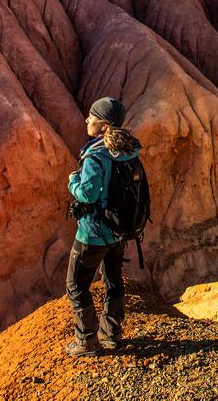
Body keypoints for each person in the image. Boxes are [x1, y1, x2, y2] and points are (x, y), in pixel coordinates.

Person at [65, 96, 141, 357]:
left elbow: (88, 194)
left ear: (104, 126)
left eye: (92, 117)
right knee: (113, 280)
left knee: (76, 285)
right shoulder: (129, 150)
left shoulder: (97, 155)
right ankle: (110, 334)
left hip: (94, 233)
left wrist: (73, 181)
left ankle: (86, 341)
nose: (87, 120)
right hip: (120, 231)